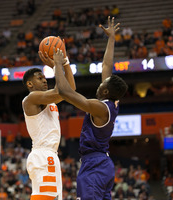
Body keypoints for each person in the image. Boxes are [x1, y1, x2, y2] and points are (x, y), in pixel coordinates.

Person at [53, 16, 128, 199]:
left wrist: (57, 64)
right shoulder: (111, 102)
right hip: (101, 164)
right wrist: (111, 38)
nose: (99, 84)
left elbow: (65, 92)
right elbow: (107, 66)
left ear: (105, 92)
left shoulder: (99, 108)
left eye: (102, 84)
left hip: (94, 164)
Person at [22, 43, 75, 199]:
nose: (44, 80)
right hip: (43, 154)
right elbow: (63, 91)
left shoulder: (49, 100)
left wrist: (65, 63)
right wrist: (57, 65)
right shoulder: (31, 99)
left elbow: (70, 91)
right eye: (40, 78)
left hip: (51, 155)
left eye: (45, 77)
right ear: (30, 84)